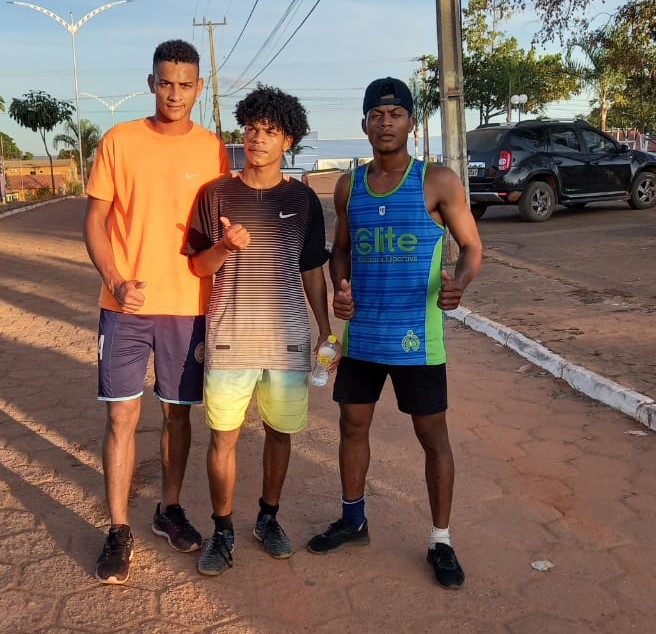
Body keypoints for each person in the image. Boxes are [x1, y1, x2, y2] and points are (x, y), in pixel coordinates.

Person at [306, 77, 483, 589]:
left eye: (396, 114)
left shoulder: (438, 181)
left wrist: (460, 284)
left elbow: (472, 247)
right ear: (364, 124)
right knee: (351, 427)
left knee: (433, 438)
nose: (386, 123)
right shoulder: (349, 186)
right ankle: (353, 521)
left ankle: (441, 541)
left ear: (411, 122)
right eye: (376, 115)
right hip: (363, 335)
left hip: (418, 339)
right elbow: (341, 249)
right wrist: (340, 287)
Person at [83, 39, 228, 585]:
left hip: (188, 306)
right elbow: (94, 222)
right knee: (121, 416)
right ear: (151, 83)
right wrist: (115, 280)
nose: (174, 93)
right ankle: (118, 529)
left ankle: (168, 509)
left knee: (177, 414)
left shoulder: (213, 149)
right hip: (125, 305)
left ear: (199, 88)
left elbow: (221, 229)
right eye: (165, 82)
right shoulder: (119, 141)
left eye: (185, 85)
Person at [185, 85, 331, 577]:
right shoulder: (215, 195)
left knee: (280, 434)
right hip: (229, 338)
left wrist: (324, 328)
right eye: (251, 128)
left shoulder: (303, 200)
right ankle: (223, 530)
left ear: (288, 141)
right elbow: (199, 267)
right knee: (222, 437)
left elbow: (312, 270)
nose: (257, 138)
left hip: (286, 339)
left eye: (270, 131)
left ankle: (268, 518)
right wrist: (225, 246)